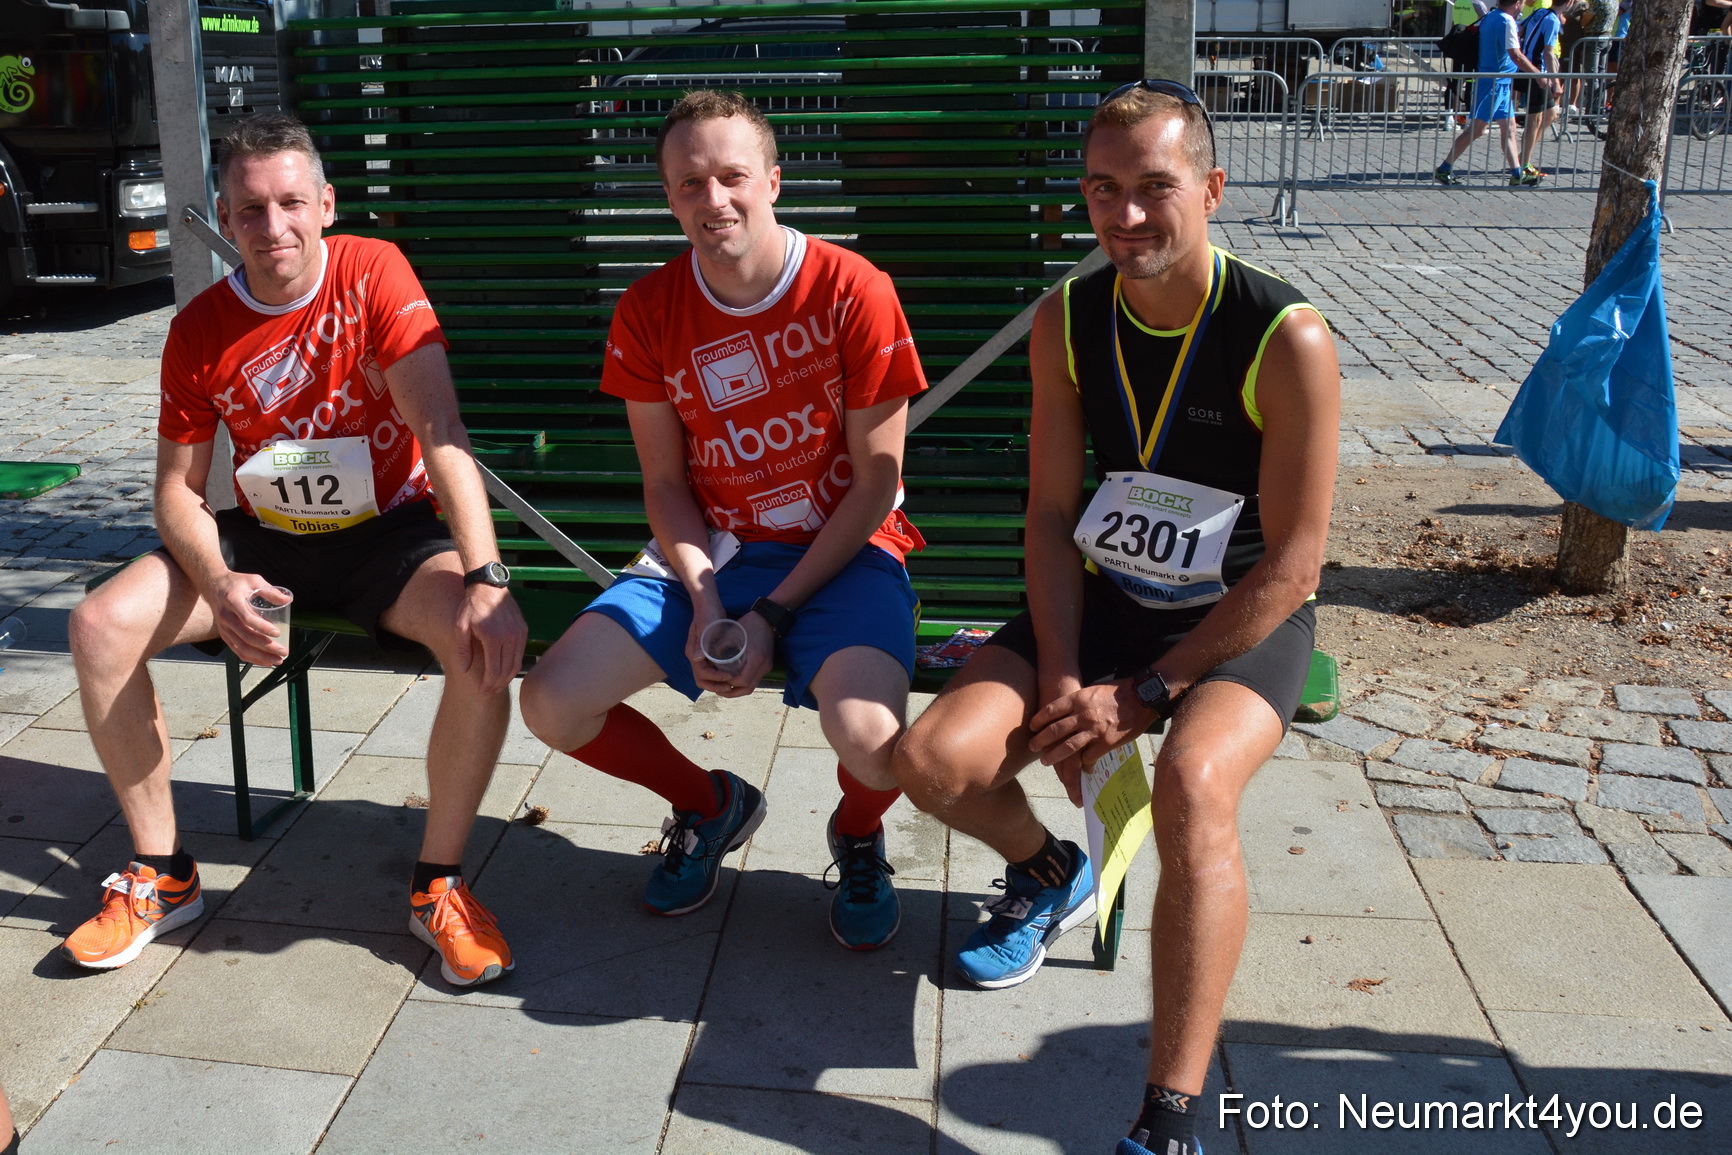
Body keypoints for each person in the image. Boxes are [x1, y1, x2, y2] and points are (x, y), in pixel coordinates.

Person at [892, 80, 1338, 1155]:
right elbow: (1050, 516)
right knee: (930, 761)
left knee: (1190, 784)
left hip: (1237, 617)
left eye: (1153, 187)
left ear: (1212, 189)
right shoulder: (1067, 315)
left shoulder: (1286, 335)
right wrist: (1059, 675)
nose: (1125, 215)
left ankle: (1168, 1116)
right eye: (1102, 189)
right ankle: (1053, 873)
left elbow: (1293, 568)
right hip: (1107, 597)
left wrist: (1143, 694)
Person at [64, 113, 526, 987]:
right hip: (264, 541)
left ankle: (438, 886)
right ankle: (163, 873)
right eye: (249, 209)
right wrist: (219, 581)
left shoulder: (373, 271)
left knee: (477, 640)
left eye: (290, 203)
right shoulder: (200, 326)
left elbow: (441, 430)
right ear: (224, 219)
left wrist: (486, 576)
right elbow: (175, 490)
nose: (272, 226)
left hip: (389, 535)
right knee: (97, 625)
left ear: (326, 205)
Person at [518, 91, 928, 951]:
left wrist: (771, 614)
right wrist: (707, 600)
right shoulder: (648, 309)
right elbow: (665, 483)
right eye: (690, 182)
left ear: (773, 180)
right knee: (551, 702)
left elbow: (875, 485)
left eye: (733, 176)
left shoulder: (854, 289)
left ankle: (858, 834)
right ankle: (711, 804)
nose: (715, 199)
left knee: (874, 742)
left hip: (846, 549)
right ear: (669, 196)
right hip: (718, 547)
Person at [1435, 0, 1549, 185]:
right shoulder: (1506, 21)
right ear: (1517, 2)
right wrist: (1538, 75)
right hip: (1493, 83)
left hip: (1500, 82)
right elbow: (1516, 55)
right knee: (1477, 129)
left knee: (1509, 128)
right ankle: (1444, 169)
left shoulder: (1491, 16)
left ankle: (1517, 174)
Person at [1517, 0, 1568, 182]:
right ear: (1569, 3)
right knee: (1534, 119)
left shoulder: (1539, 11)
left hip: (1531, 67)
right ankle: (1524, 164)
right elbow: (1548, 52)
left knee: (1551, 114)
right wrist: (1556, 81)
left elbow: (1520, 29)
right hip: (1538, 71)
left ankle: (1523, 155)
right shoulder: (1552, 20)